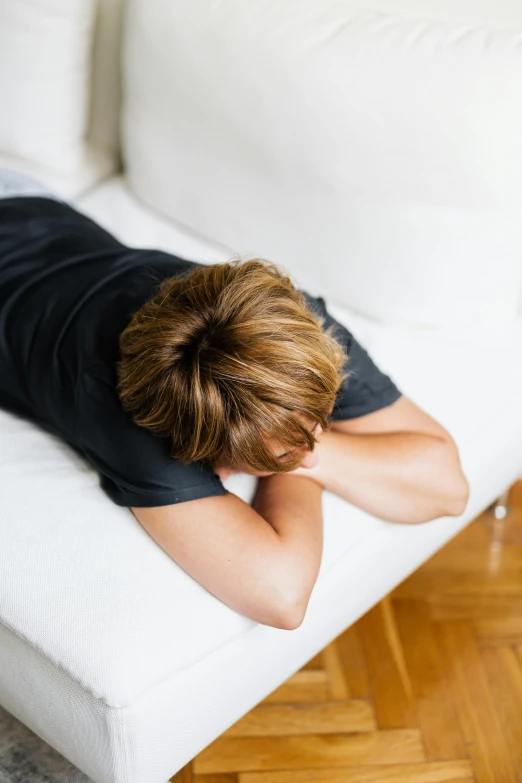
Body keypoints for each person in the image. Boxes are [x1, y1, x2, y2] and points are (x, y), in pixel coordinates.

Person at [0, 169, 469, 628]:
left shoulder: (283, 327)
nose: (313, 446)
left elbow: (448, 489)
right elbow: (282, 597)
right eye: (283, 455)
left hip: (23, 197)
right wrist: (311, 466)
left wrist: (292, 453)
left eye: (320, 420)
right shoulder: (125, 415)